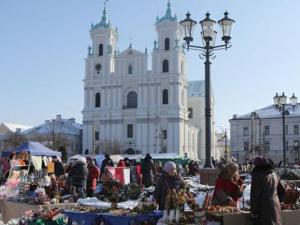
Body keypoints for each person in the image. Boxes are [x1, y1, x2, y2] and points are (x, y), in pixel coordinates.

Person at [250, 156, 282, 225]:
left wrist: (253, 211)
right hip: (275, 205)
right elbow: (282, 190)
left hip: (263, 208)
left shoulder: (257, 175)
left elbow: (255, 194)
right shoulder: (274, 174)